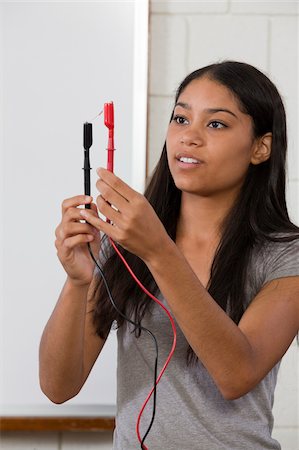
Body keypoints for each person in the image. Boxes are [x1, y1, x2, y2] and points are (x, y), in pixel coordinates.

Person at [39, 61, 299, 450]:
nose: (189, 137)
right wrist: (79, 282)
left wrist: (158, 250)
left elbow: (236, 374)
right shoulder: (125, 244)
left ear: (261, 147)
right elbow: (58, 387)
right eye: (180, 119)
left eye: (216, 124)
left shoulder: (285, 254)